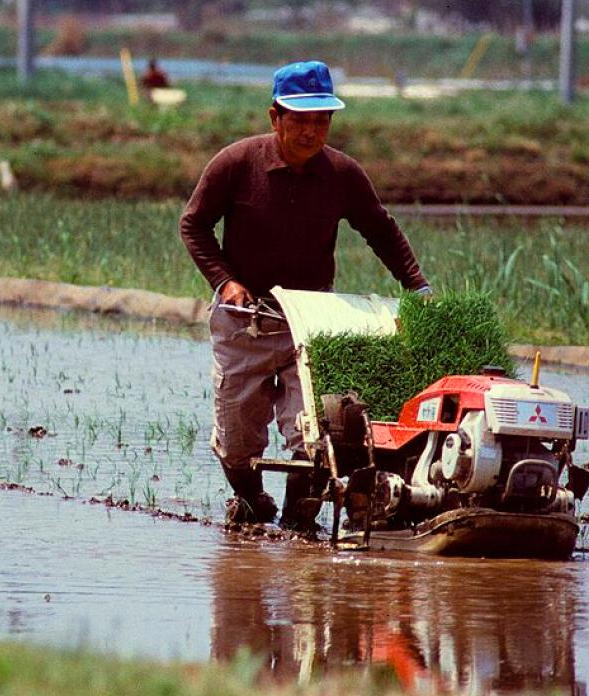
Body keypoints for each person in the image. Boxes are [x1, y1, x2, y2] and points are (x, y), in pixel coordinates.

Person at [179, 60, 431, 533]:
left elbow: (381, 230)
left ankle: (300, 519)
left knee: (314, 431)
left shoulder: (342, 174)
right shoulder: (235, 164)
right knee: (237, 439)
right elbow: (193, 225)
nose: (310, 132)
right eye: (299, 120)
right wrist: (224, 279)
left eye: (321, 121)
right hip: (244, 317)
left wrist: (418, 286)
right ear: (275, 117)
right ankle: (252, 503)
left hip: (311, 318)